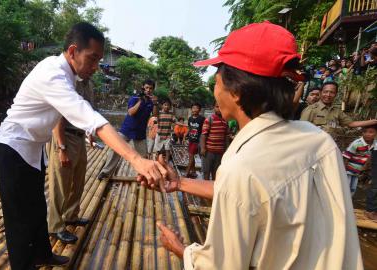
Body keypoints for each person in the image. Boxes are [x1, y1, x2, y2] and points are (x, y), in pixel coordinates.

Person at [141, 21, 362, 270]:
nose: (214, 91)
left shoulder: (242, 167)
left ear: (236, 91)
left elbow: (221, 265)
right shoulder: (319, 141)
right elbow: (257, 193)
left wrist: (181, 250)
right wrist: (180, 183)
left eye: (216, 82)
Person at [0, 22, 166, 270]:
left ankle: (43, 254)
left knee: (37, 208)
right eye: (93, 58)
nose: (96, 67)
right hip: (14, 148)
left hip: (33, 150)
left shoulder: (68, 74)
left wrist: (87, 135)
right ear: (73, 51)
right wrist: (136, 160)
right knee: (18, 220)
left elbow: (75, 116)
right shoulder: (53, 73)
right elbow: (90, 117)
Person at [46, 80, 93, 245]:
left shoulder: (89, 84)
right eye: (92, 60)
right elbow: (57, 116)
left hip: (80, 137)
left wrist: (89, 132)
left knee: (78, 180)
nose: (94, 67)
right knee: (60, 184)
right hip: (65, 136)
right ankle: (55, 226)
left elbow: (85, 111)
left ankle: (71, 216)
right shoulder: (68, 80)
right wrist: (62, 148)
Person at [97, 79, 158, 179]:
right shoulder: (135, 98)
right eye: (146, 88)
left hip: (140, 132)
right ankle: (106, 172)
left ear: (153, 89)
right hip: (127, 129)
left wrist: (155, 104)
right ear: (143, 88)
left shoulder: (152, 102)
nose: (148, 90)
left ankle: (143, 176)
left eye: (150, 88)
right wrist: (140, 101)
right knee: (115, 150)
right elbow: (130, 112)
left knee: (143, 155)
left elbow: (155, 116)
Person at [300, 81, 377, 132]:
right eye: (325, 92)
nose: (328, 95)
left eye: (332, 92)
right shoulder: (311, 109)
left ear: (336, 95)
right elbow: (301, 129)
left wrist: (373, 121)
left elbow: (351, 123)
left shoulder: (336, 111)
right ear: (320, 93)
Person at [343, 125, 377, 196]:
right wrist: (342, 171)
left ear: (375, 134)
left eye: (371, 132)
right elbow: (346, 156)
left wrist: (365, 167)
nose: (367, 134)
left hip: (358, 171)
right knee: (345, 188)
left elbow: (372, 157)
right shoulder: (357, 143)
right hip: (349, 170)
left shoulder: (375, 144)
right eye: (365, 132)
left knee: (353, 189)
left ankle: (349, 203)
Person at [200, 103, 229, 180]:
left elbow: (226, 136)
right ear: (213, 108)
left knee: (216, 172)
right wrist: (203, 148)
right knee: (206, 171)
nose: (219, 109)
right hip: (208, 151)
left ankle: (212, 189)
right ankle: (205, 188)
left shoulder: (225, 121)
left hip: (219, 152)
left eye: (221, 107)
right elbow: (204, 135)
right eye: (217, 107)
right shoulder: (209, 119)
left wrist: (227, 149)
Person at [185, 103, 205, 178]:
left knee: (191, 156)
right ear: (191, 109)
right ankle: (193, 171)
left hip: (197, 140)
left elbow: (204, 130)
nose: (194, 110)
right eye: (193, 108)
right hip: (191, 139)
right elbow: (189, 128)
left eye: (196, 108)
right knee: (191, 156)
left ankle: (186, 173)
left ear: (199, 110)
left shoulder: (202, 119)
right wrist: (185, 135)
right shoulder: (190, 118)